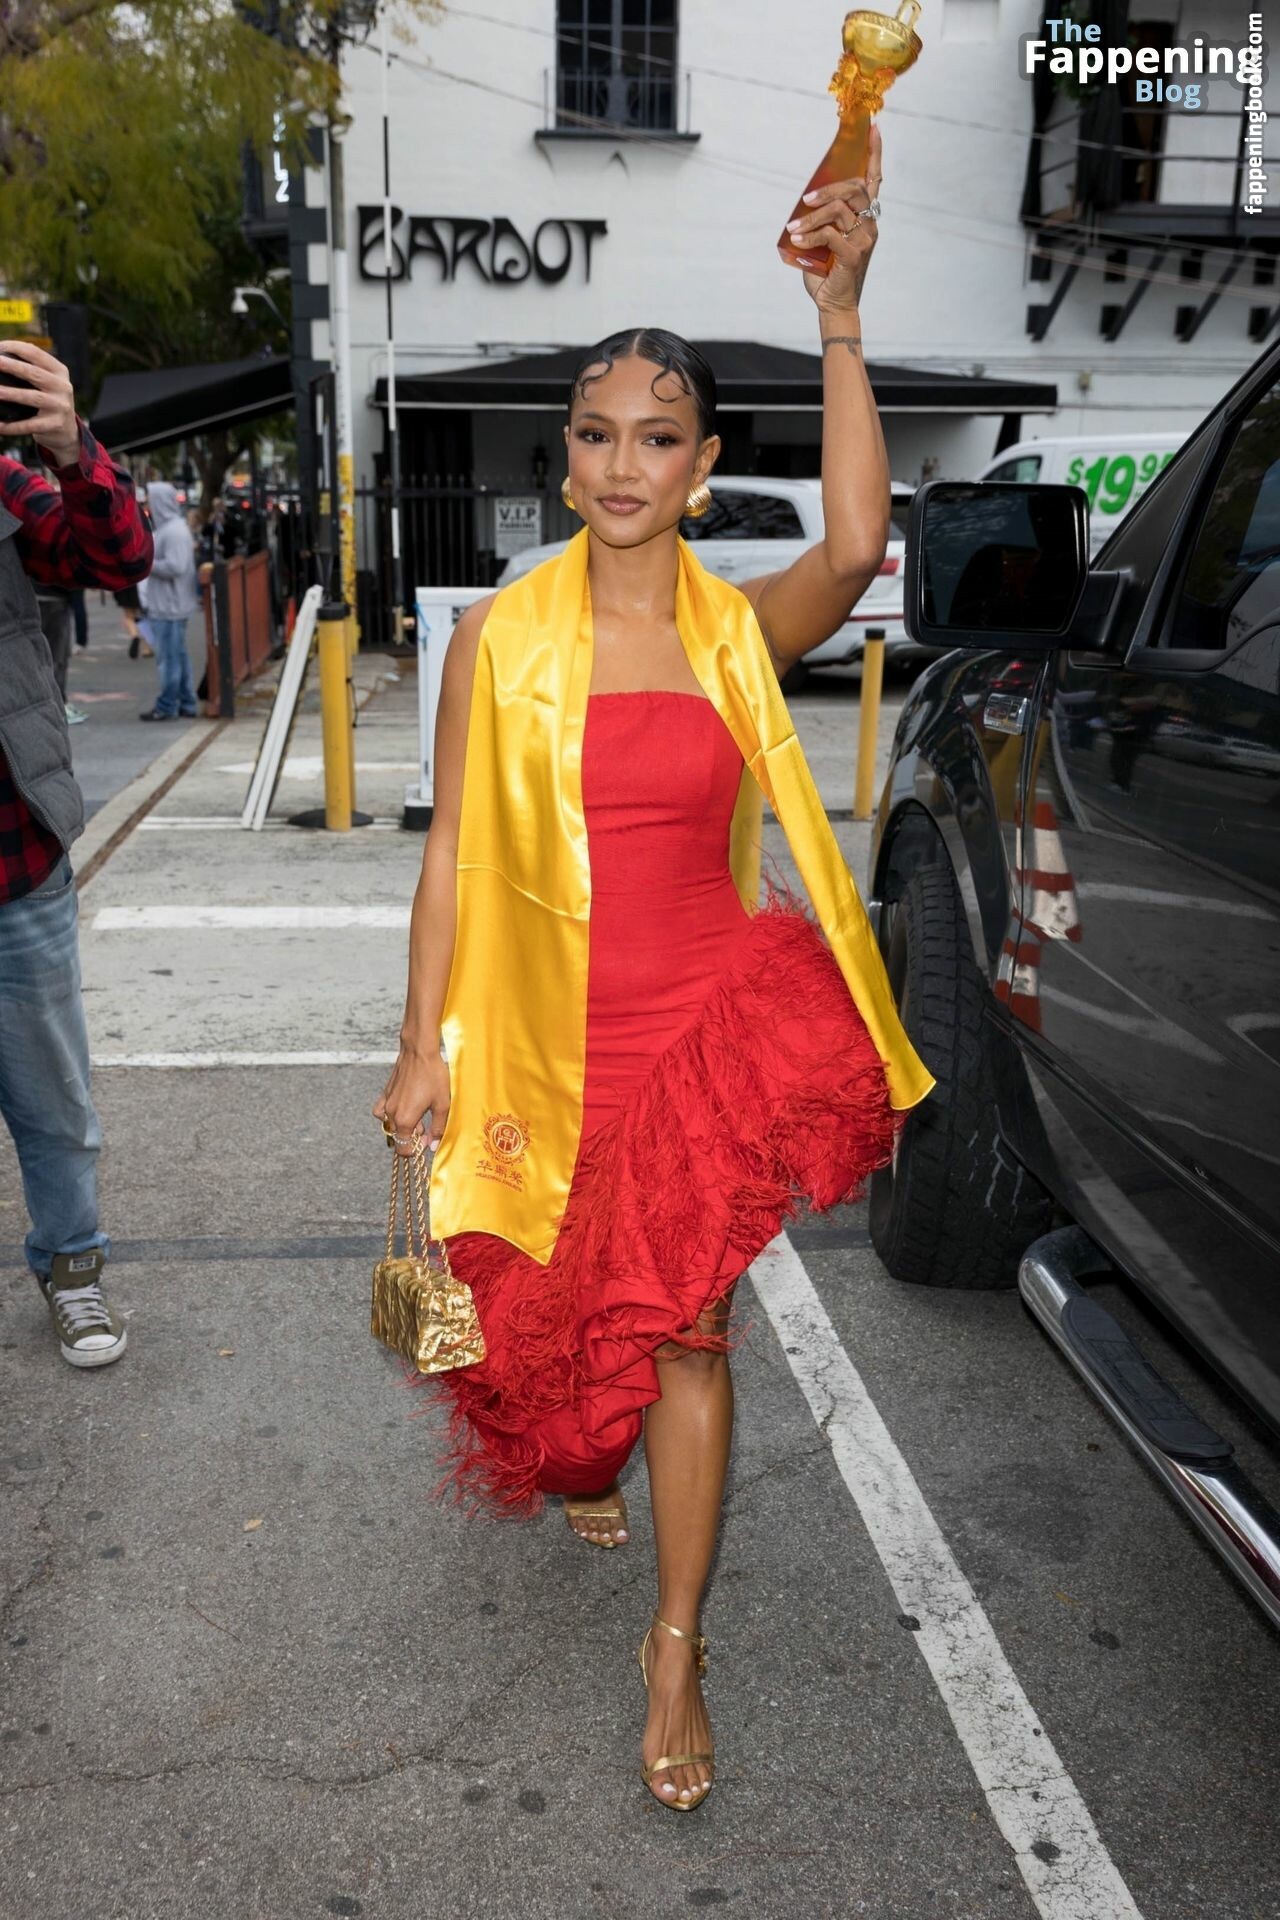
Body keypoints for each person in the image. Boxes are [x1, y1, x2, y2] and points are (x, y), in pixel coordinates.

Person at [375, 131, 935, 1813]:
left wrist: (840, 318)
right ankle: (588, 1468)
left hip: (699, 1039)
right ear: (567, 459)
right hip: (542, 1046)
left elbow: (858, 542)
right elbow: (452, 858)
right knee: (557, 1399)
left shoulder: (735, 631)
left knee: (690, 1333)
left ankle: (675, 1645)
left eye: (660, 437)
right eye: (598, 433)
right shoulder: (500, 639)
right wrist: (420, 1048)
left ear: (703, 467)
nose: (625, 463)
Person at [0, 336, 152, 1365]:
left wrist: (69, 445)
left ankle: (73, 1269)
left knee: (53, 1102)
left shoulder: (5, 485)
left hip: (13, 866)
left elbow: (115, 560)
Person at [139, 480, 199, 721]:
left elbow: (175, 566)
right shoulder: (173, 529)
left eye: (150, 501)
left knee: (169, 659)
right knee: (178, 656)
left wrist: (146, 564)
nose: (148, 506)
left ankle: (167, 705)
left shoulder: (172, 531)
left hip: (169, 605)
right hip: (171, 604)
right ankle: (186, 702)